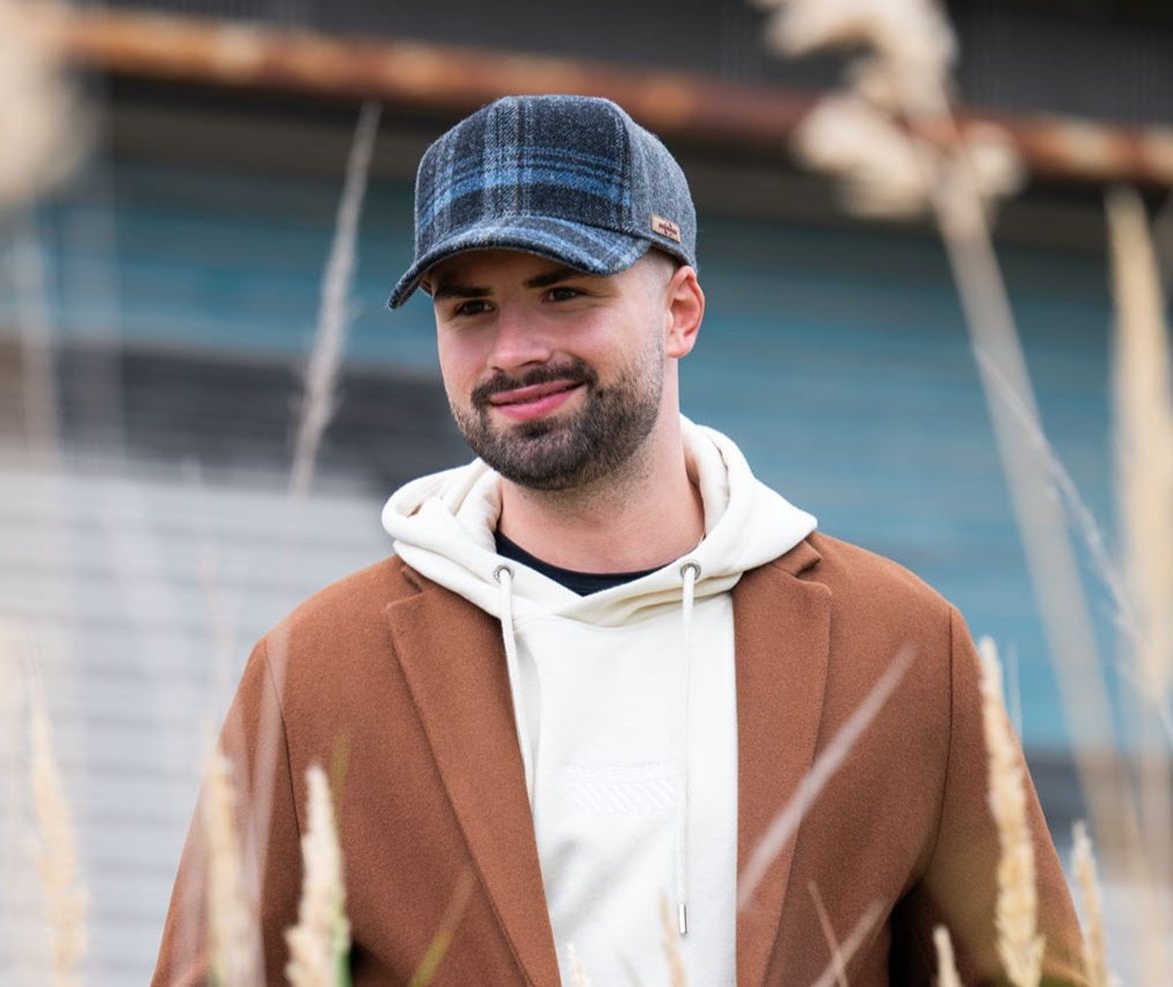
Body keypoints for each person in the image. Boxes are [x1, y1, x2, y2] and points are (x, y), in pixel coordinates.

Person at [151, 94, 1086, 987]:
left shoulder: (903, 647)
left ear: (680, 311)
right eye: (468, 307)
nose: (512, 349)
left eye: (563, 291)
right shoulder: (314, 672)